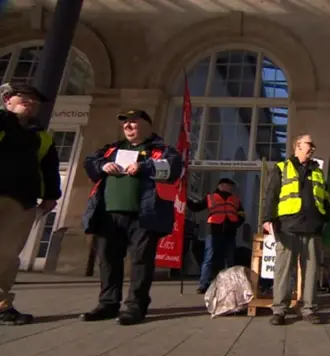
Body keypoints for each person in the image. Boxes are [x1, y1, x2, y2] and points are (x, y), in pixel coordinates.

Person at [80, 109, 182, 326]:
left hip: (144, 216)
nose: (128, 126)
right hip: (109, 214)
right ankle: (108, 304)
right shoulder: (111, 149)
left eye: (133, 123)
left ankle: (136, 306)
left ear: (147, 125)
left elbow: (174, 168)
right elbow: (89, 163)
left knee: (141, 262)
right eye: (125, 123)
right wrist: (101, 165)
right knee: (108, 260)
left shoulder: (162, 150)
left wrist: (145, 166)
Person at [0, 83, 55, 326]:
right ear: (7, 100)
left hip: (22, 201)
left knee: (7, 256)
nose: (30, 101)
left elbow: (49, 168)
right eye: (23, 96)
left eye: (34, 99)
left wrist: (51, 195)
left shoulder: (41, 136)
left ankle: (1, 306)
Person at [262, 134, 330, 325]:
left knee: (311, 271)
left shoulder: (317, 171)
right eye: (310, 144)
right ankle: (279, 310)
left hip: (312, 228)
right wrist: (267, 219)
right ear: (298, 146)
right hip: (288, 227)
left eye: (313, 145)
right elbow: (272, 195)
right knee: (283, 270)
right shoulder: (282, 168)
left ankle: (309, 309)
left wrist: (326, 219)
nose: (313, 148)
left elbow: (326, 198)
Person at [188, 178, 245, 294]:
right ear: (221, 186)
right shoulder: (211, 197)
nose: (230, 188)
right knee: (209, 258)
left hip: (230, 233)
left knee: (230, 259)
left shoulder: (235, 200)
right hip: (214, 231)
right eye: (229, 186)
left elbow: (242, 214)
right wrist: (186, 200)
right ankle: (204, 284)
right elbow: (196, 207)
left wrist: (236, 223)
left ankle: (230, 285)